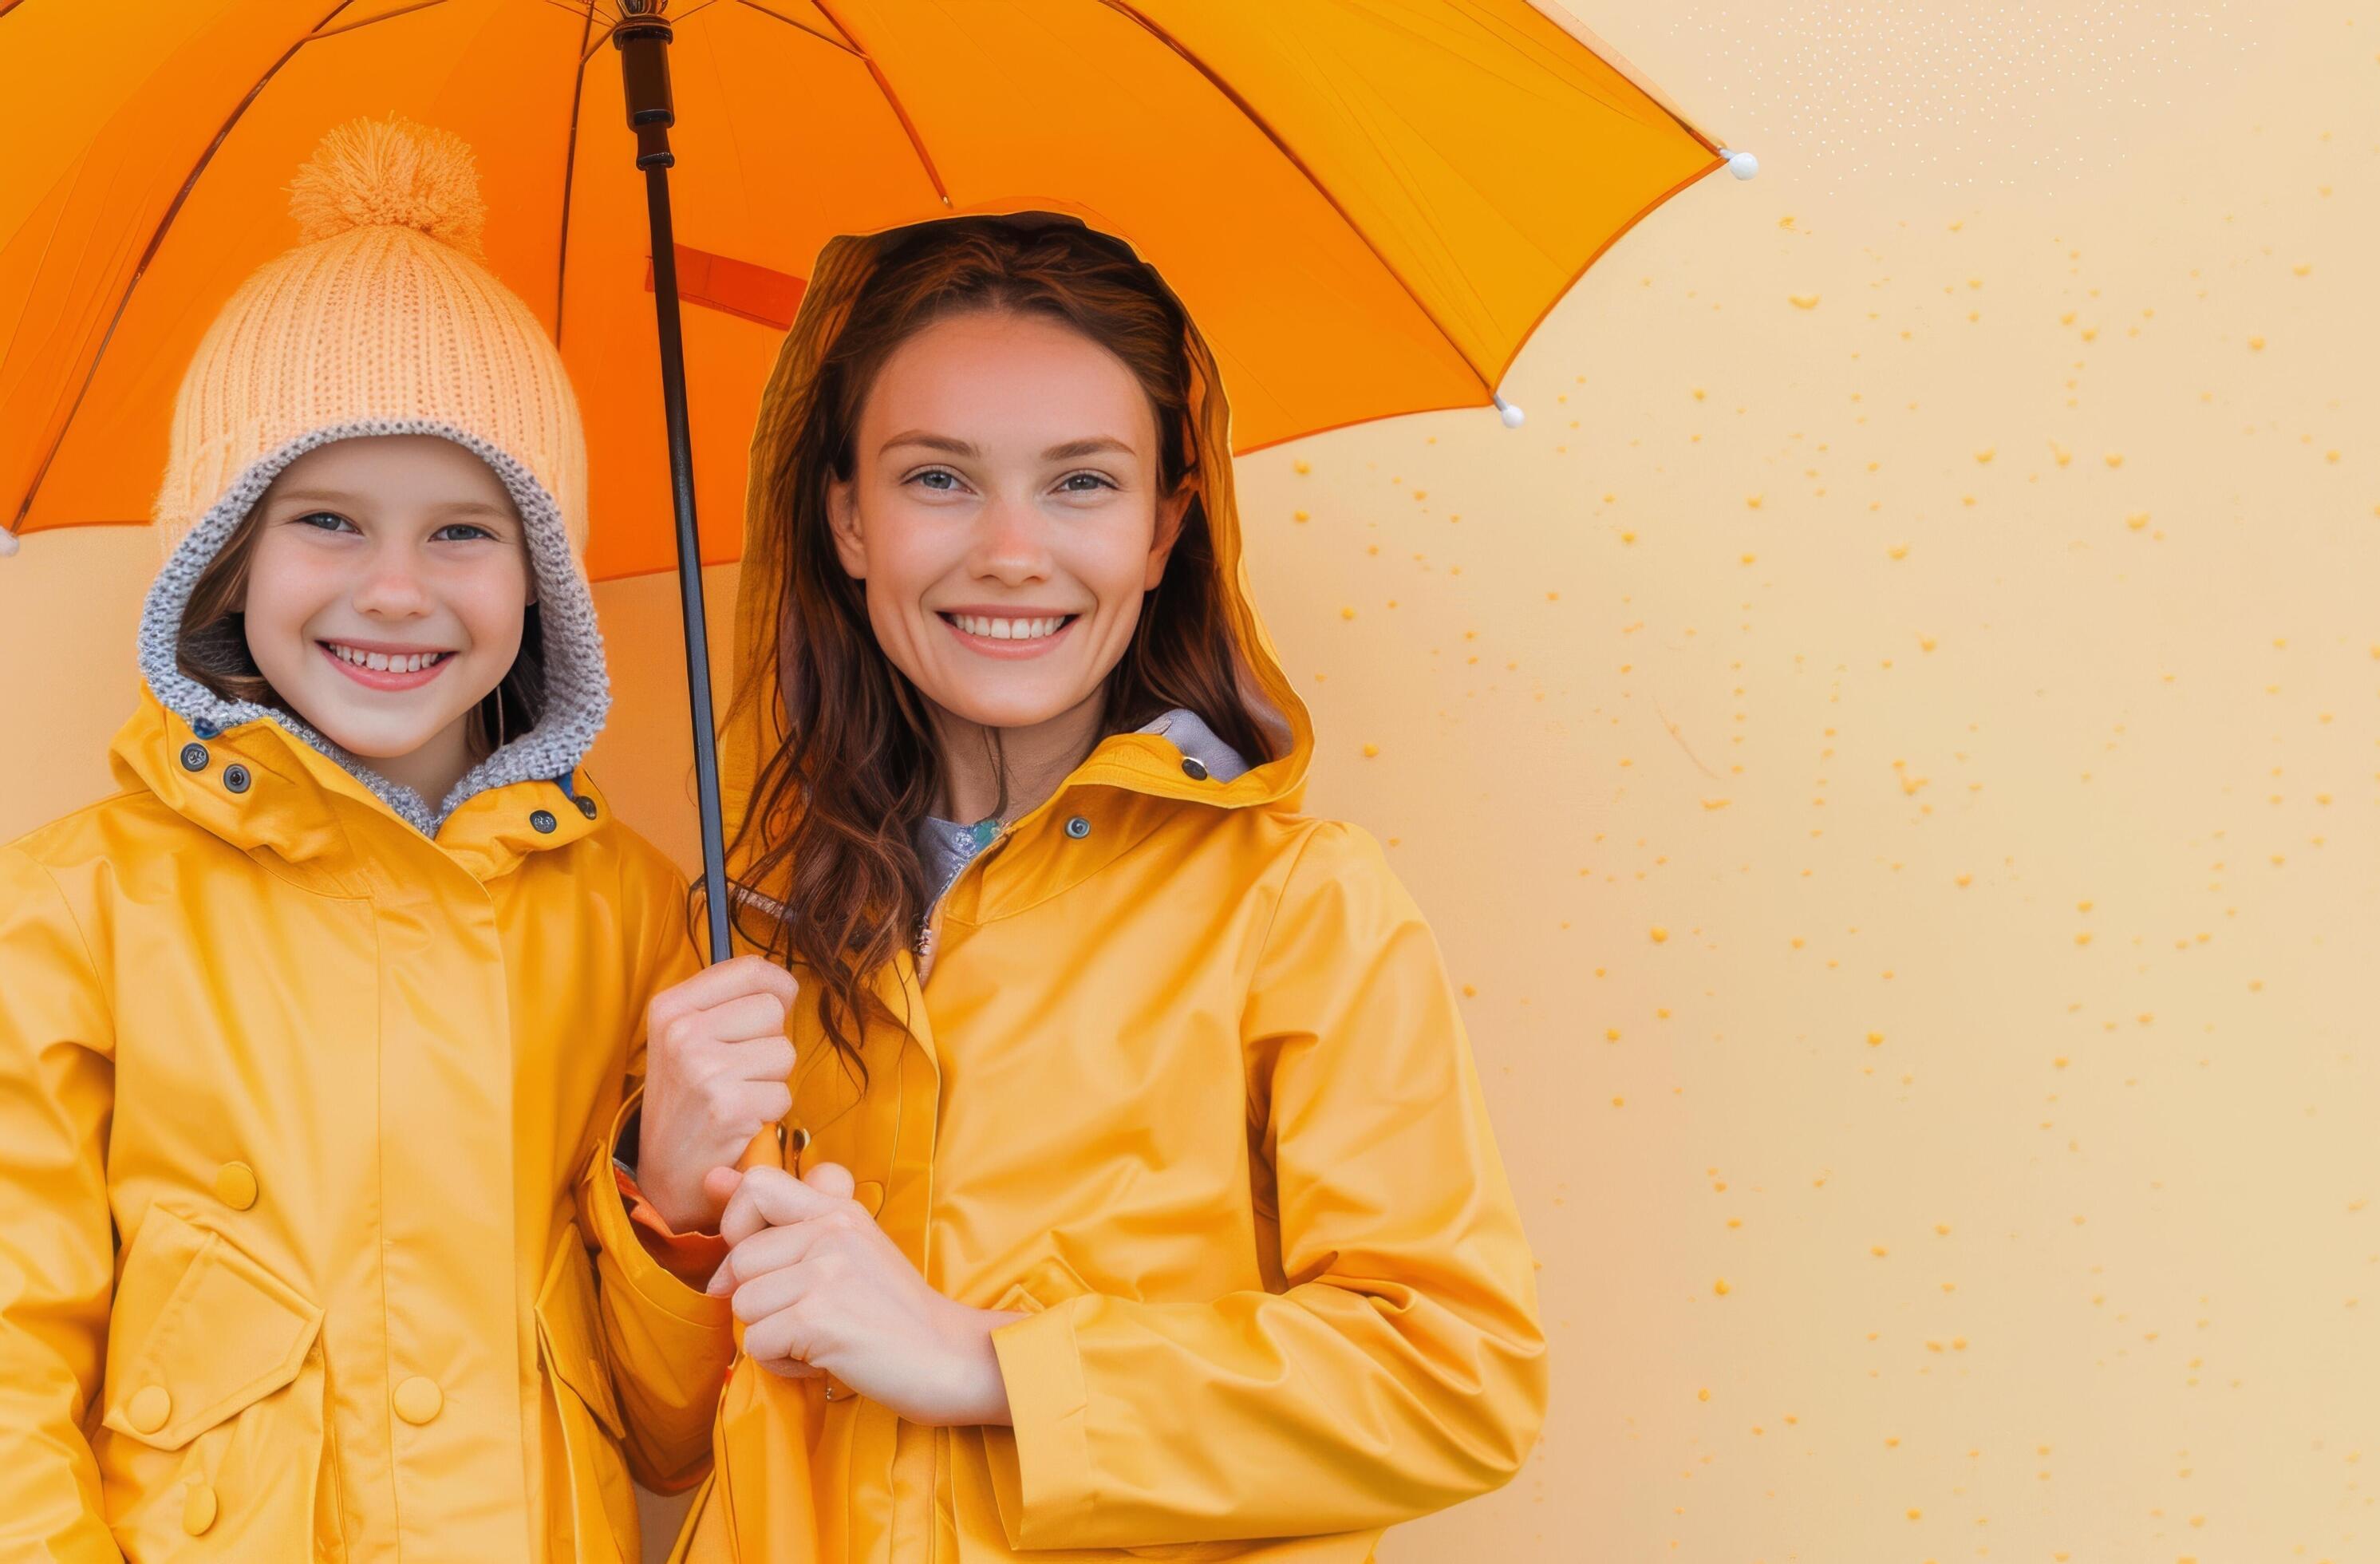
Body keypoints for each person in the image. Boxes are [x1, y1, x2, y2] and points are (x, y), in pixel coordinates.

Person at [606, 213, 1548, 1562]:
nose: (1008, 550)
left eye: (1081, 483)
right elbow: (658, 1439)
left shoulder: (1297, 908)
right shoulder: (744, 934)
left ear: (1166, 527)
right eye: (937, 480)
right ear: (846, 519)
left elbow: (1454, 1385)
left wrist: (986, 1362)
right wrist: (677, 1209)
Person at [0, 119, 729, 1561]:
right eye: (327, 520)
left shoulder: (637, 915)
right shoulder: (75, 910)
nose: (395, 591)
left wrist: (680, 1201)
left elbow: (669, 1435)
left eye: (465, 532)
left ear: (543, 583)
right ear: (228, 557)